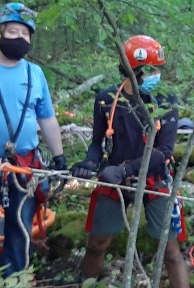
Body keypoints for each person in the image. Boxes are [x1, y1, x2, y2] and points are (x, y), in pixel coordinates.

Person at [0, 3, 67, 277]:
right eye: (13, 31)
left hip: (23, 168)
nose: (20, 38)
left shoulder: (34, 74)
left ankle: (15, 278)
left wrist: (59, 157)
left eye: (26, 34)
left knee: (20, 230)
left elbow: (47, 118)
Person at [71, 35, 188, 286]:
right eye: (148, 69)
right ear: (129, 70)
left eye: (158, 69)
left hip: (155, 178)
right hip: (114, 179)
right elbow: (97, 142)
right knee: (96, 244)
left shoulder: (166, 101)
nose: (154, 75)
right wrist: (89, 164)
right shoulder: (106, 99)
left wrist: (125, 170)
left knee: (169, 250)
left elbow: (165, 151)